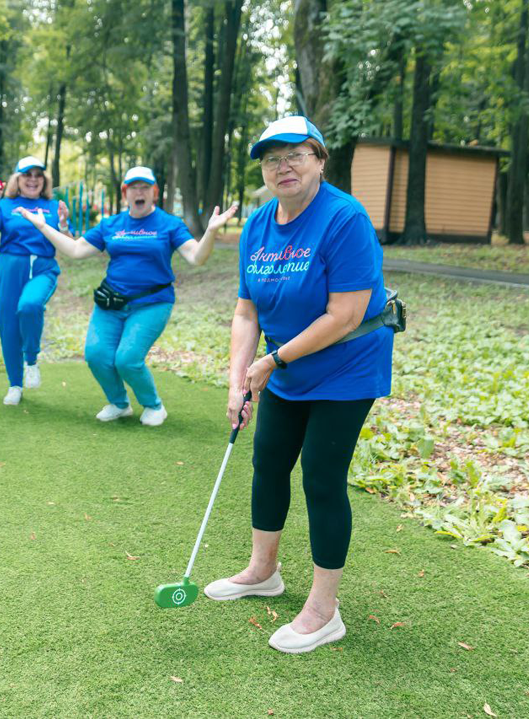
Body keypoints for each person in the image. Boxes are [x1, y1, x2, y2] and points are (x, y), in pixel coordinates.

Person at [203, 116, 394, 654]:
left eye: (295, 155)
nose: (282, 167)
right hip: (284, 367)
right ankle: (263, 570)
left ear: (319, 159)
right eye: (271, 158)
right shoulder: (260, 224)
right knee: (268, 461)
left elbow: (347, 313)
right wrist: (239, 375)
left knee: (321, 478)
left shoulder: (344, 218)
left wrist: (272, 361)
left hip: (346, 365)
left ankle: (324, 609)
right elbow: (246, 311)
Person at [20, 166, 238, 425]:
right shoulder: (111, 224)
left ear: (154, 192)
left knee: (127, 359)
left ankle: (154, 405)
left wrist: (211, 231)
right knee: (96, 355)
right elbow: (76, 250)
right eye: (133, 187)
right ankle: (119, 403)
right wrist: (44, 227)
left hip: (152, 303)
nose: (139, 192)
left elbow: (196, 257)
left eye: (145, 187)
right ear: (125, 193)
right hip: (111, 302)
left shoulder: (169, 224)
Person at [0, 156, 71, 405]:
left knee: (29, 306)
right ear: (17, 180)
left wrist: (63, 224)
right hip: (9, 267)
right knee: (8, 326)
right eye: (27, 175)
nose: (33, 179)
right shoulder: (6, 205)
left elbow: (69, 242)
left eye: (38, 175)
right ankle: (15, 385)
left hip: (43, 267)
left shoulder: (52, 206)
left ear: (44, 180)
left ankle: (31, 359)